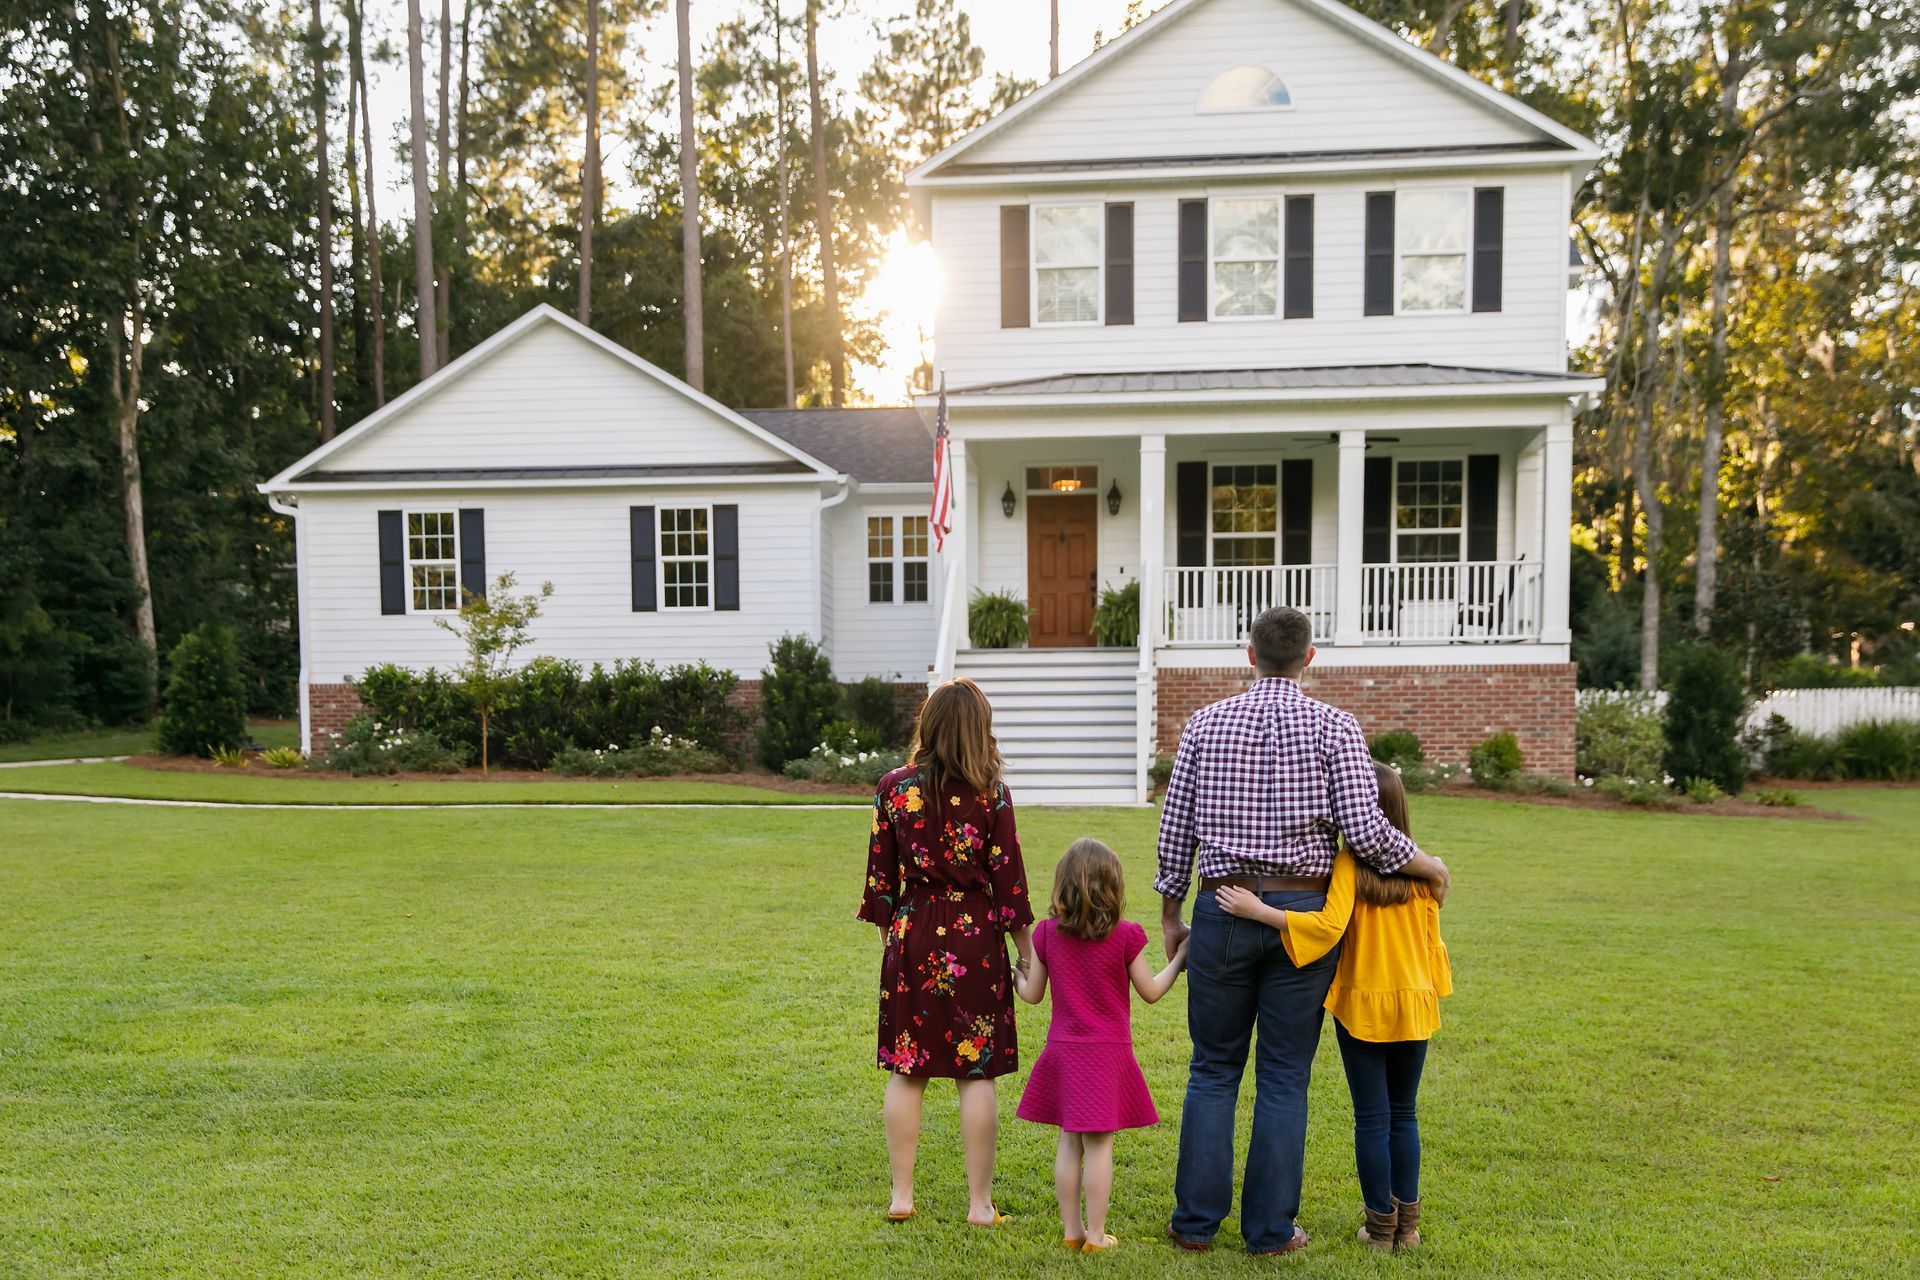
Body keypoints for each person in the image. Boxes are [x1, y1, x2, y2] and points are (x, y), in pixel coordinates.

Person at [1154, 605, 1452, 1256]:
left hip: (1223, 906)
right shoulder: (1336, 729)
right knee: (1284, 1075)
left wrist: (1172, 915)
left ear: (1248, 653)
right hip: (1305, 918)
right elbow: (1368, 832)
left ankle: (1195, 1225)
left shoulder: (1205, 725)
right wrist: (1427, 864)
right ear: (1310, 657)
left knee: (1212, 1070)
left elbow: (1175, 829)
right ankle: (1268, 1232)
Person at [1217, 762, 1452, 1252]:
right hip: (1414, 1005)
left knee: (1372, 1117)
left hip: (1362, 1007)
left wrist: (1259, 911)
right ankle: (1407, 1230)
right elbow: (1433, 947)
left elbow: (1326, 928)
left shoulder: (1347, 864)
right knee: (1404, 1114)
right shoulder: (1426, 874)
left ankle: (1380, 1229)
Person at [857, 676, 1033, 1228]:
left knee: (907, 1069)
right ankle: (980, 1205)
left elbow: (880, 885)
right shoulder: (993, 793)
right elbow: (1011, 885)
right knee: (974, 1072)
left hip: (913, 932)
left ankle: (901, 1195)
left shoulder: (893, 789)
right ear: (980, 731)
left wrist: (896, 946)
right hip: (976, 934)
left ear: (927, 726)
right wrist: (1027, 955)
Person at [1013, 838, 1188, 1254]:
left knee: (1069, 1142)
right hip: (1107, 1055)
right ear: (1113, 887)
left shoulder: (1047, 934)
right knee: (1099, 1147)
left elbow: (1032, 994)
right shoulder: (1125, 935)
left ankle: (1072, 1231)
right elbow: (1150, 991)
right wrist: (1180, 959)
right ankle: (1095, 1235)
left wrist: (1016, 974)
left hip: (1063, 1052)